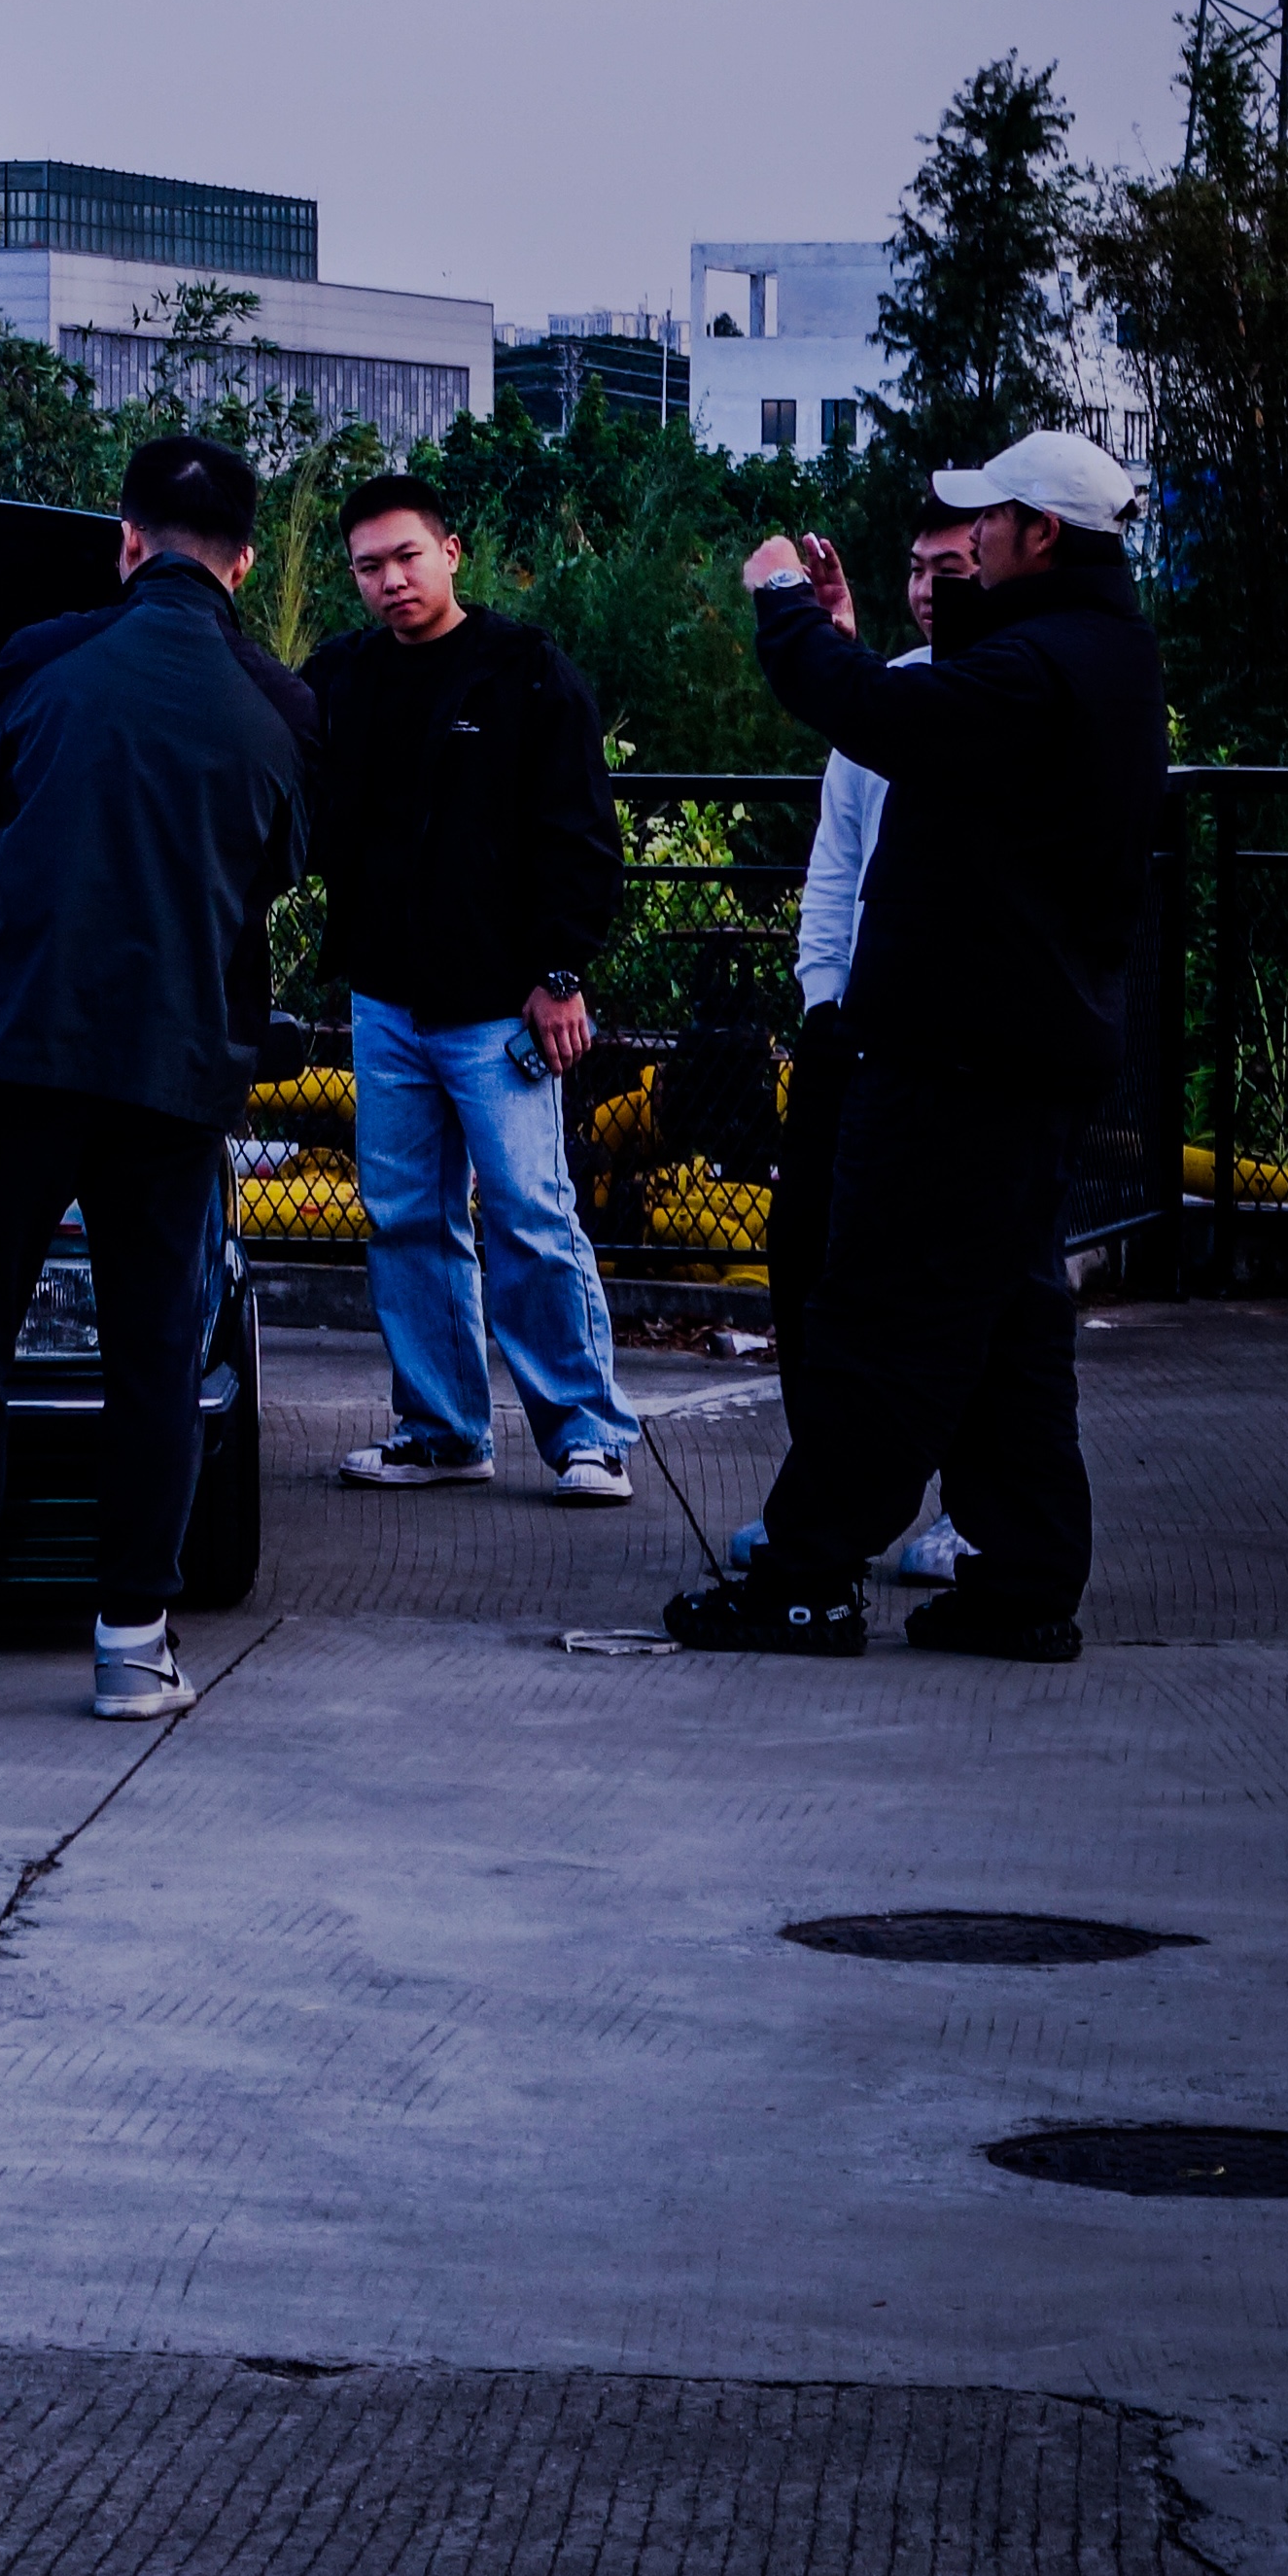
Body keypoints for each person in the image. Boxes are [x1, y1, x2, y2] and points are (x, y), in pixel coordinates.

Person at [0, 435, 313, 1723]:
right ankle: (134, 1645)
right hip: (175, 1071)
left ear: (125, 540)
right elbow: (269, 875)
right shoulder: (279, 705)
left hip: (15, 1053)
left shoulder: (40, 659)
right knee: (154, 1354)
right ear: (243, 563)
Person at [669, 429, 1166, 1666]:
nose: (968, 538)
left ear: (1037, 533)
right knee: (1004, 1325)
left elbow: (884, 711)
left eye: (984, 521)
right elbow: (937, 693)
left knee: (884, 1316)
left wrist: (784, 607)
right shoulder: (1094, 652)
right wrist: (846, 634)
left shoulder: (1036, 670)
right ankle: (1023, 1579)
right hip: (1020, 1052)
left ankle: (804, 1576)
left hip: (957, 1059)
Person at [303, 475, 638, 1503]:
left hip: (501, 1007)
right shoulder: (341, 677)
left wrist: (560, 974)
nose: (390, 580)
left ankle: (587, 1435)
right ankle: (442, 1430)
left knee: (530, 1216)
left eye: (407, 556)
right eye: (368, 566)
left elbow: (580, 835)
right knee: (405, 1218)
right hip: (384, 1001)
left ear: (450, 551)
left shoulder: (525, 671)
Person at [729, 508, 980, 1580]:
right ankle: (821, 1492)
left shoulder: (1006, 689)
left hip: (961, 1043)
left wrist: (817, 631)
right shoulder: (888, 692)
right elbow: (835, 863)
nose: (927, 588)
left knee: (959, 1280)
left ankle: (971, 1508)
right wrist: (821, 997)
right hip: (852, 1028)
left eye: (951, 568)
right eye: (917, 568)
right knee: (808, 1259)